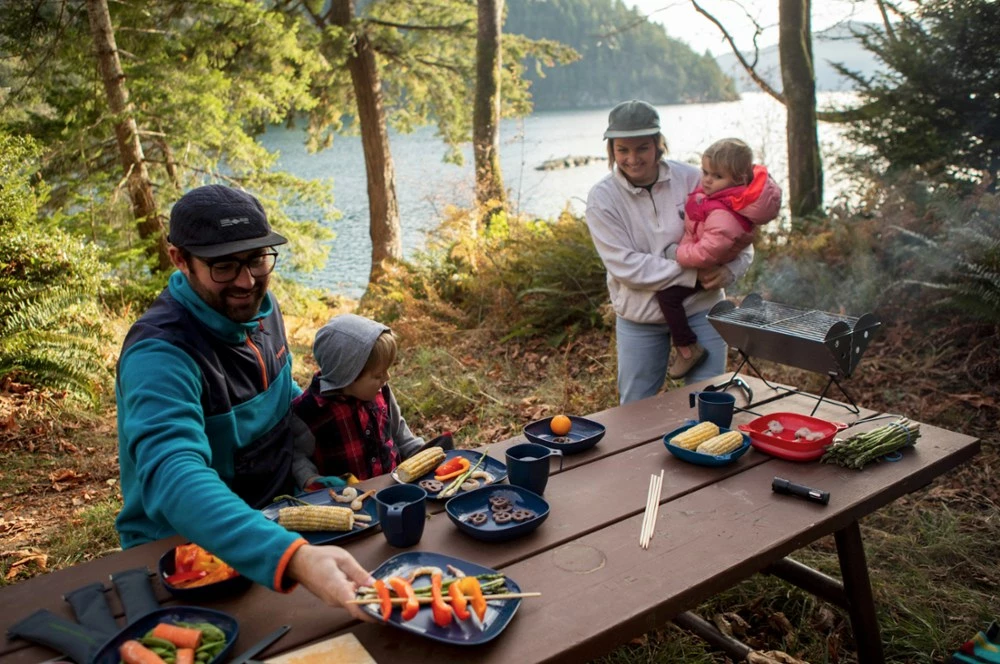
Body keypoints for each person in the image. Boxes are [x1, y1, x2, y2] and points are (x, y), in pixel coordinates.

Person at [115, 184, 372, 620]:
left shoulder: (261, 308)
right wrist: (292, 557)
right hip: (186, 552)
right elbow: (174, 475)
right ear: (180, 259)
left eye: (256, 259)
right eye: (223, 266)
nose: (246, 281)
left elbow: (281, 397)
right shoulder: (159, 354)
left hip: (280, 514)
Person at [584, 100, 756, 404]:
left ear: (658, 145)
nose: (633, 159)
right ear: (612, 150)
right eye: (623, 149)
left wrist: (731, 270)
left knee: (709, 401)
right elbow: (626, 266)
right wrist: (693, 272)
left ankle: (701, 451)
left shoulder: (693, 179)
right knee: (636, 410)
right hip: (641, 318)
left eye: (642, 148)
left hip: (702, 310)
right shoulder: (602, 198)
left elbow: (737, 233)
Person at [655, 137, 781, 378]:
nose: (707, 179)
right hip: (706, 266)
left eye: (717, 176)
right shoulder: (726, 200)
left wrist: (677, 254)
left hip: (706, 271)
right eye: (705, 172)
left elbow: (707, 252)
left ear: (739, 179)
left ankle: (687, 348)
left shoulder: (725, 214)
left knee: (668, 297)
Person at [291, 314, 430, 492]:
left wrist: (422, 453)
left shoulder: (382, 392)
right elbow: (298, 455)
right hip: (348, 501)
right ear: (347, 377)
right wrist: (310, 479)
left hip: (393, 487)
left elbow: (400, 434)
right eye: (378, 375)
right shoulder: (310, 412)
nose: (387, 378)